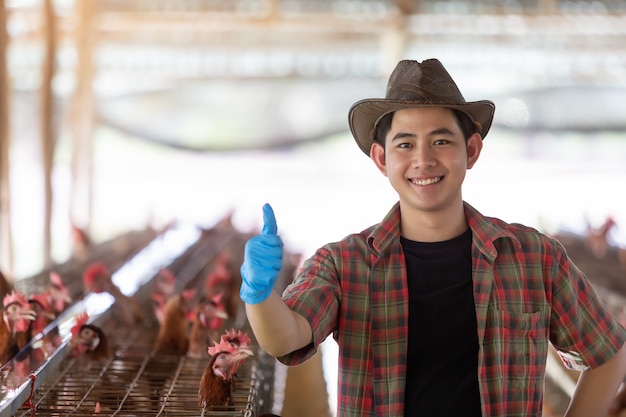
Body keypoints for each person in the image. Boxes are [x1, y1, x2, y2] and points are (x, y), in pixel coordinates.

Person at [239, 58, 626, 417]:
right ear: (381, 159)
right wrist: (258, 294)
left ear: (471, 150)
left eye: (441, 141)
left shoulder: (533, 257)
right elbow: (286, 338)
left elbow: (609, 352)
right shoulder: (343, 265)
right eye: (405, 144)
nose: (423, 159)